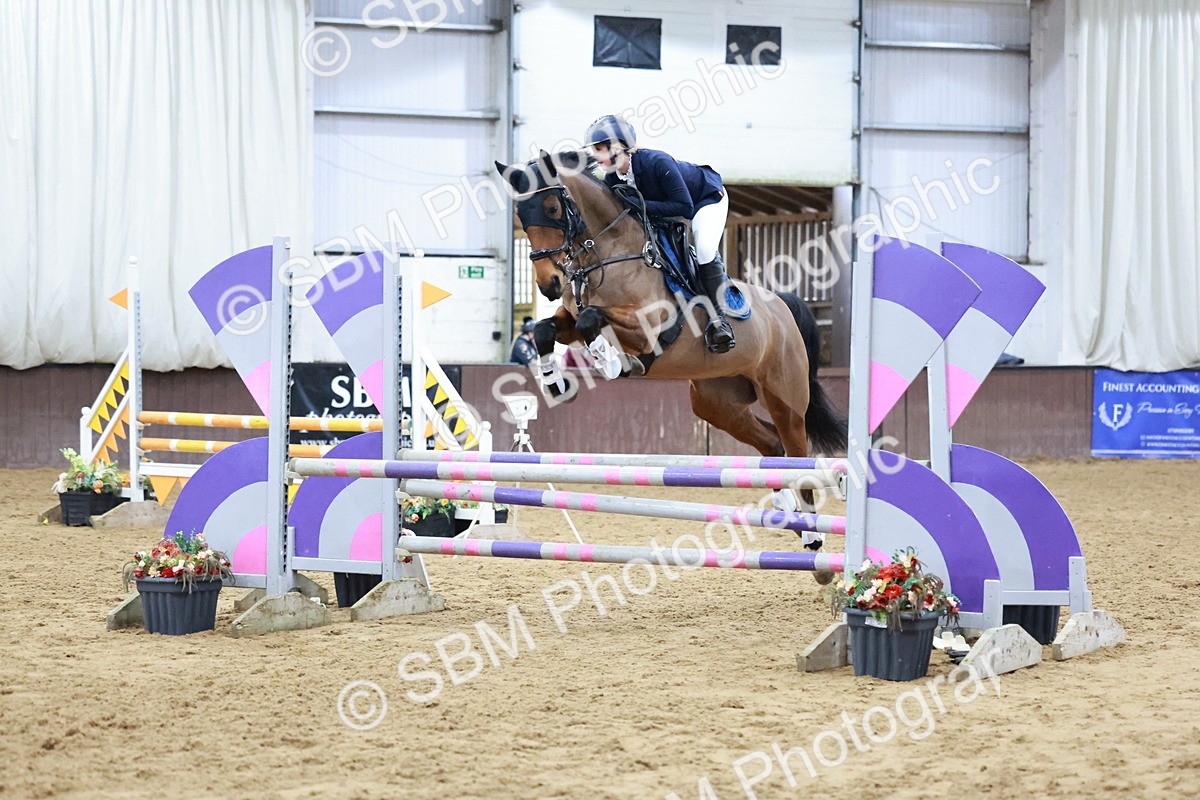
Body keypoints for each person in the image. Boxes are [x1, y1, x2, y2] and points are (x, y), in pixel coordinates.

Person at [584, 114, 736, 353]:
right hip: (667, 210)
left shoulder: (657, 162)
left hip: (705, 199)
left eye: (600, 149)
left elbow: (684, 208)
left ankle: (719, 321)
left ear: (618, 147)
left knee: (705, 249)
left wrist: (639, 204)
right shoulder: (613, 178)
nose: (596, 155)